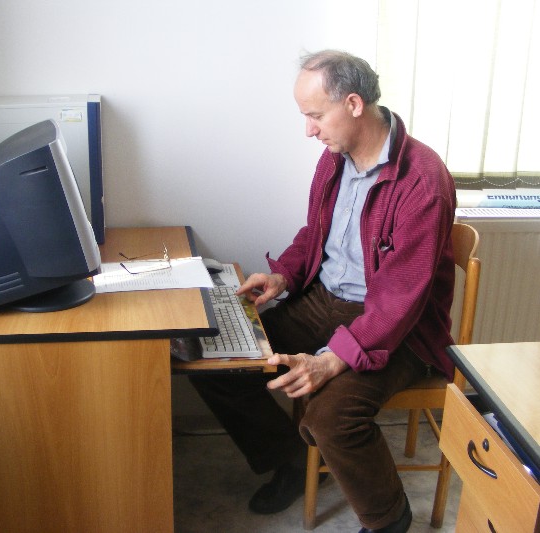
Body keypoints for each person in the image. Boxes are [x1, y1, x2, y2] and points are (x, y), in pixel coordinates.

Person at [190, 49, 456, 533]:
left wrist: (333, 359)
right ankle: (289, 460)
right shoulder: (335, 158)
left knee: (332, 419)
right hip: (323, 301)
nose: (309, 130)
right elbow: (316, 234)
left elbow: (400, 300)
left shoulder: (422, 181)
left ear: (353, 104)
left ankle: (389, 520)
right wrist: (285, 276)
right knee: (216, 360)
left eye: (314, 115)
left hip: (397, 327)